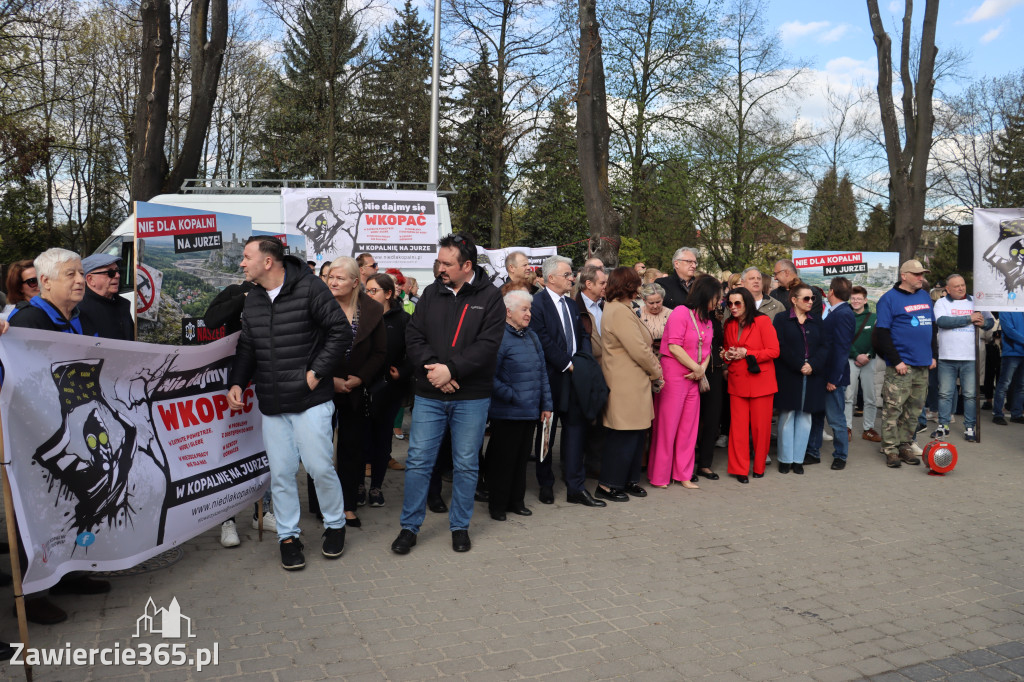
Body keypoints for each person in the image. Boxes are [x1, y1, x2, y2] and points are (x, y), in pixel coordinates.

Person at [227, 236, 351, 570]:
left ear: (268, 261)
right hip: (272, 402)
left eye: (246, 256)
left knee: (319, 467)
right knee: (280, 473)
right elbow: (248, 346)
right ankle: (288, 536)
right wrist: (237, 381)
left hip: (310, 399)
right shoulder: (252, 297)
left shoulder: (309, 287)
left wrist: (315, 374)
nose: (241, 262)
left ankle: (335, 524)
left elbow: (341, 331)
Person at [8, 248, 110, 625]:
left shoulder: (78, 317)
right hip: (34, 434)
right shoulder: (28, 320)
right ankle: (32, 595)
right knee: (33, 511)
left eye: (81, 272)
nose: (80, 280)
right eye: (71, 274)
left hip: (73, 426)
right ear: (45, 282)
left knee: (72, 501)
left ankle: (71, 572)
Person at [391, 233, 505, 555]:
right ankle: (409, 528)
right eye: (439, 261)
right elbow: (414, 335)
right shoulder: (430, 293)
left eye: (446, 263)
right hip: (429, 393)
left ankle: (460, 527)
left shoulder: (491, 297)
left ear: (467, 265)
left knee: (466, 464)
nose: (439, 267)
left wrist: (451, 371)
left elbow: (488, 346)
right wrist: (434, 368)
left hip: (471, 397)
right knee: (418, 461)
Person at [203, 278, 276, 547]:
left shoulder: (277, 293)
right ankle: (227, 519)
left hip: (268, 383)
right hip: (237, 384)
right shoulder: (236, 291)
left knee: (265, 448)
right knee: (231, 450)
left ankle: (263, 512)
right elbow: (211, 320)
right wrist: (243, 297)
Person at [530, 255, 606, 508]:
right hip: (550, 379)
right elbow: (542, 339)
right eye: (568, 275)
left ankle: (576, 486)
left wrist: (582, 362)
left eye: (572, 274)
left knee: (575, 433)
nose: (572, 278)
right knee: (546, 434)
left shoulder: (573, 305)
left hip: (575, 379)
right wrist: (568, 364)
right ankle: (546, 484)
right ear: (551, 278)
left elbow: (583, 335)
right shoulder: (537, 304)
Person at [324, 256, 386, 529]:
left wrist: (360, 378)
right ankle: (323, 506)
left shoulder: (371, 309)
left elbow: (380, 351)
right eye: (330, 277)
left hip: (356, 389)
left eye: (339, 278)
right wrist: (330, 380)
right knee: (320, 451)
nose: (333, 282)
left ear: (355, 282)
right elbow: (308, 350)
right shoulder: (319, 307)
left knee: (352, 449)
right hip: (323, 387)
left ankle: (348, 505)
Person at [486, 290, 553, 520]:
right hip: (507, 412)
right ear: (508, 311)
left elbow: (542, 373)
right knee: (503, 460)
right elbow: (489, 377)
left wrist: (546, 405)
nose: (528, 314)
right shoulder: (499, 338)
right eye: (524, 309)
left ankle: (516, 501)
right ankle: (497, 505)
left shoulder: (532, 336)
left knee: (521, 459)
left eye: (529, 309)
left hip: (530, 411)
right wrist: (514, 395)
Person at [597, 267, 663, 501]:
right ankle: (608, 484)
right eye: (636, 283)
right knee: (622, 435)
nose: (639, 287)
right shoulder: (619, 311)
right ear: (628, 286)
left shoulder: (623, 309)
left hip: (633, 383)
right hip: (625, 383)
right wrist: (657, 370)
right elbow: (639, 349)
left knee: (635, 434)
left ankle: (628, 480)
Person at [649, 275, 720, 488]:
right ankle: (660, 476)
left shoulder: (707, 320)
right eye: (716, 296)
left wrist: (701, 370)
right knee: (667, 426)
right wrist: (696, 368)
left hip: (694, 377)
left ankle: (683, 474)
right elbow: (673, 346)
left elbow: (707, 350)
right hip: (675, 375)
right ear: (705, 294)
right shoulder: (681, 312)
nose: (718, 301)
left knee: (689, 428)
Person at [872, 259, 935, 468]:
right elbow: (882, 333)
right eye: (917, 274)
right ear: (904, 276)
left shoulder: (925, 296)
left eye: (922, 274)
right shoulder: (888, 299)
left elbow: (931, 327)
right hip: (901, 365)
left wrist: (933, 355)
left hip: (923, 364)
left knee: (914, 409)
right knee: (893, 409)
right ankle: (890, 449)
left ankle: (905, 445)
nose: (921, 278)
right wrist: (896, 360)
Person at [363, 273, 414, 506]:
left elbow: (413, 352)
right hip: (361, 386)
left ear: (388, 294)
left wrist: (401, 372)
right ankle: (357, 486)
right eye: (366, 290)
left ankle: (376, 487)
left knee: (382, 439)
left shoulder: (402, 319)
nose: (368, 295)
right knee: (360, 439)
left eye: (373, 291)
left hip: (389, 388)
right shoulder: (359, 316)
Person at [722, 287, 779, 483]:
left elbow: (774, 351)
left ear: (747, 302)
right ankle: (739, 469)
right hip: (737, 381)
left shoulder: (762, 321)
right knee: (737, 429)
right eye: (730, 303)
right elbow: (729, 349)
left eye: (737, 303)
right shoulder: (729, 324)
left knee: (760, 428)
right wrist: (727, 356)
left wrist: (748, 353)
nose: (733, 307)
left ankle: (759, 466)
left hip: (761, 382)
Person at [773, 284, 828, 474]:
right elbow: (779, 344)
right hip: (789, 372)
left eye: (812, 298)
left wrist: (812, 364)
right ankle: (785, 459)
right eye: (806, 298)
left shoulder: (817, 321)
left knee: (805, 417)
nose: (811, 302)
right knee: (787, 416)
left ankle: (798, 459)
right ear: (794, 300)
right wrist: (799, 364)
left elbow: (825, 346)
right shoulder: (781, 319)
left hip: (812, 374)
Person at [932, 274, 993, 441]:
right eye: (956, 286)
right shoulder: (941, 303)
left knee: (970, 395)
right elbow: (943, 322)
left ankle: (969, 428)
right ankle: (943, 426)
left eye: (963, 284)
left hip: (970, 357)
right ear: (948, 289)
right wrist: (969, 318)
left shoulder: (976, 302)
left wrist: (983, 323)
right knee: (945, 393)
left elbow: (989, 322)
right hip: (947, 356)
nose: (961, 288)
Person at [818, 278, 856, 469]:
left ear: (831, 291)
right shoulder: (835, 311)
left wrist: (834, 378)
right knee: (819, 415)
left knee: (836, 418)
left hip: (834, 376)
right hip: (824, 373)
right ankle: (812, 451)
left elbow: (842, 349)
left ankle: (840, 455)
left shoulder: (842, 314)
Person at [846, 287, 881, 443]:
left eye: (859, 299)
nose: (856, 301)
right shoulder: (846, 317)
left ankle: (869, 429)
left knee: (870, 397)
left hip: (869, 361)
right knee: (848, 396)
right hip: (850, 360)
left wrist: (867, 355)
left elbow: (878, 339)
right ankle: (846, 428)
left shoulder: (873, 317)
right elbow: (843, 339)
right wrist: (856, 354)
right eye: (853, 298)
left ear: (865, 300)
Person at [77, 254, 134, 340]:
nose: (117, 276)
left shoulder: (122, 304)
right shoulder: (79, 310)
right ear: (90, 280)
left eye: (117, 271)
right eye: (110, 273)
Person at [992, 311, 1024, 426]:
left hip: (1020, 353)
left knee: (1021, 386)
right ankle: (998, 414)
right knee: (1004, 384)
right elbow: (1009, 331)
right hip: (1011, 353)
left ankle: (1017, 414)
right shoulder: (1006, 309)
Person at [638, 283, 671, 351]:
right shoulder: (637, 314)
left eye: (658, 302)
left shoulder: (671, 314)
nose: (655, 306)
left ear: (663, 299)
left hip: (667, 353)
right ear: (644, 300)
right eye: (651, 303)